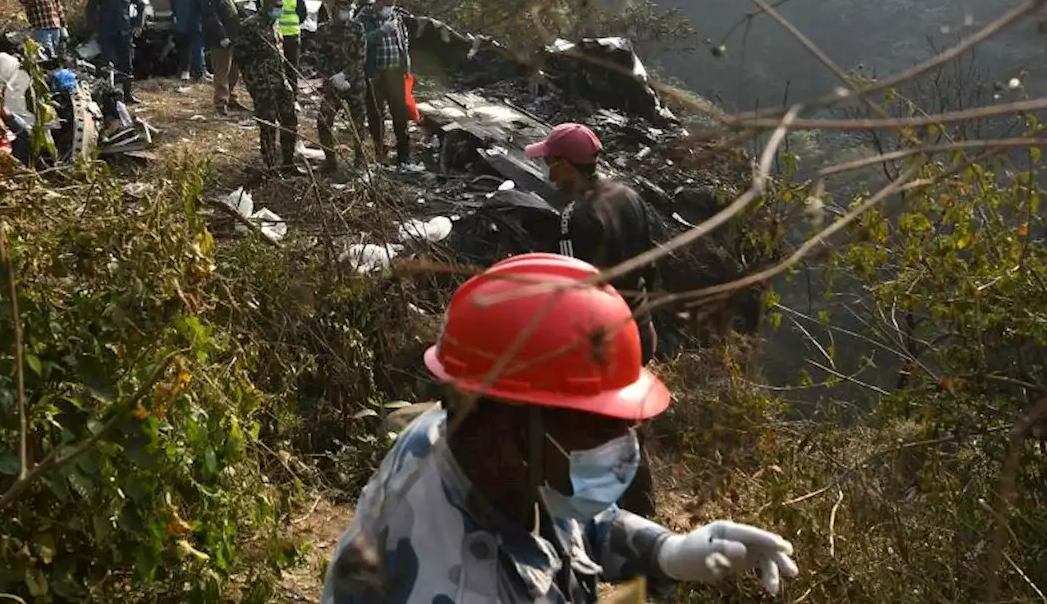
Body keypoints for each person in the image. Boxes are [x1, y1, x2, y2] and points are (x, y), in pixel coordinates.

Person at [321, 253, 799, 604]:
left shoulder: (472, 444)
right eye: (598, 427)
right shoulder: (461, 587)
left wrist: (667, 553)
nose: (622, 447)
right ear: (512, 425)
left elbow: (572, 526)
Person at [525, 122, 670, 519]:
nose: (546, 171)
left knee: (582, 426)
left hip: (605, 340)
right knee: (623, 425)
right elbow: (650, 263)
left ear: (567, 166)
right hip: (640, 329)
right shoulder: (626, 195)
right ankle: (641, 517)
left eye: (549, 163)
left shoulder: (576, 216)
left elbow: (577, 290)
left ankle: (593, 520)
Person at [236, 0, 298, 173]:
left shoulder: (275, 24)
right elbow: (239, 54)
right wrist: (253, 80)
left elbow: (278, 54)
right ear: (266, 5)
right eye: (275, 6)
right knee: (268, 123)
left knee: (290, 119)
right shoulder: (251, 25)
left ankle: (288, 162)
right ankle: (270, 165)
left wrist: (285, 78)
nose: (278, 9)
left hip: (280, 81)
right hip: (262, 84)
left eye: (281, 6)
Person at [358, 0, 414, 169]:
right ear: (378, 2)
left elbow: (404, 41)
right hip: (375, 74)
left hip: (395, 73)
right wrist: (381, 31)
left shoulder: (396, 18)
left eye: (392, 5)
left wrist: (406, 67)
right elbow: (360, 42)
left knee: (400, 113)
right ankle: (380, 153)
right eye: (386, 5)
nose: (389, 9)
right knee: (376, 114)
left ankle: (404, 155)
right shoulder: (364, 18)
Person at [313, 0, 368, 173]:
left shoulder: (357, 28)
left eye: (350, 9)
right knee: (323, 121)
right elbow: (319, 58)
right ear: (335, 8)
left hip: (354, 84)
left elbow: (361, 58)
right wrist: (332, 77)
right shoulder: (323, 30)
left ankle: (360, 160)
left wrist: (346, 75)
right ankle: (330, 160)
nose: (348, 12)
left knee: (358, 122)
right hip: (332, 85)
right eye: (344, 9)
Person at [85, 0, 144, 105]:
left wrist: (138, 25)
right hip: (106, 33)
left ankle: (127, 95)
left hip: (124, 32)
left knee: (127, 65)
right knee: (107, 65)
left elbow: (141, 6)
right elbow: (90, 9)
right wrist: (94, 28)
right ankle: (107, 98)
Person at [201, 0, 245, 116]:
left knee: (233, 70)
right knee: (222, 70)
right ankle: (221, 102)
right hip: (220, 38)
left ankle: (231, 97)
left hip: (233, 36)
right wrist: (221, 36)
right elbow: (210, 15)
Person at [257, 0, 307, 98]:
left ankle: (293, 97)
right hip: (270, 37)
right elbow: (259, 12)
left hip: (290, 36)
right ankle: (273, 96)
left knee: (291, 68)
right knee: (272, 69)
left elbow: (303, 14)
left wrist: (290, 26)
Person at [170, 0, 207, 82]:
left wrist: (175, 13)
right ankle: (199, 72)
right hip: (195, 19)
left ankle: (184, 72)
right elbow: (202, 3)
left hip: (180, 19)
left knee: (183, 47)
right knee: (197, 47)